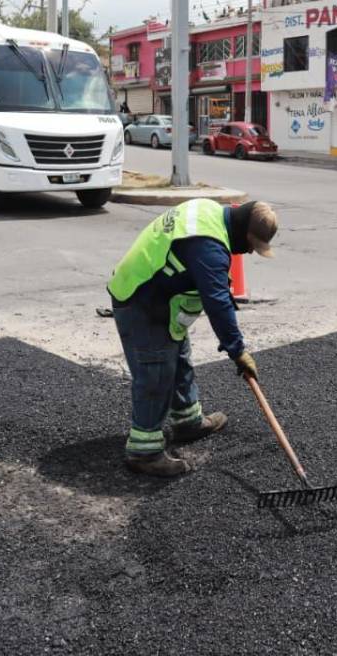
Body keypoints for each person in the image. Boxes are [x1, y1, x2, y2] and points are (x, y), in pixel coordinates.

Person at [107, 199, 278, 477]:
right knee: (157, 370)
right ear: (243, 229)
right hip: (141, 298)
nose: (248, 251)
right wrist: (237, 351)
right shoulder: (209, 246)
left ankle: (188, 421)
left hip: (164, 297)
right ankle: (144, 451)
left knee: (180, 360)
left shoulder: (210, 211)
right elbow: (218, 302)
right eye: (251, 244)